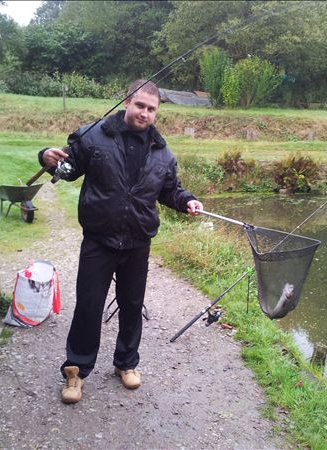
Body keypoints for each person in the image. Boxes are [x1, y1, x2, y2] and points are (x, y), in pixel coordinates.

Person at [38, 80, 203, 404]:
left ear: (156, 112)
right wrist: (45, 157)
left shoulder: (162, 152)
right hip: (99, 239)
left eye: (151, 109)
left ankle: (126, 363)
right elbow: (67, 169)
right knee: (88, 306)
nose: (144, 113)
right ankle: (76, 370)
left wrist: (187, 200)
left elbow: (170, 190)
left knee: (131, 306)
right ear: (127, 102)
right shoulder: (93, 136)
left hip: (138, 242)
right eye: (140, 105)